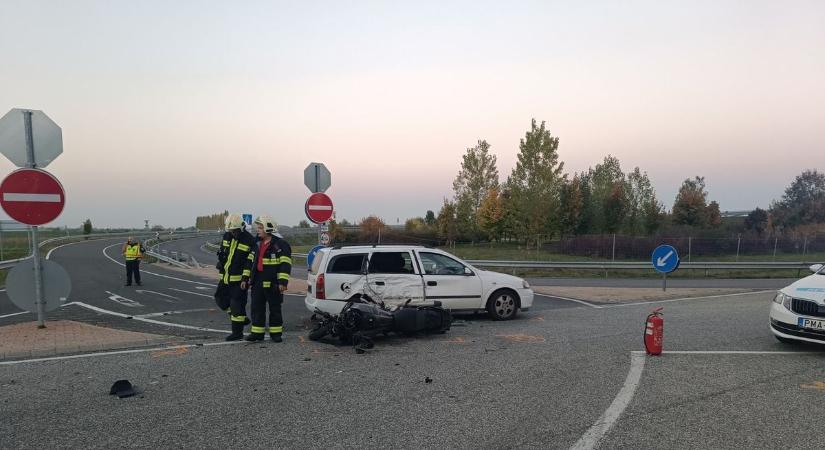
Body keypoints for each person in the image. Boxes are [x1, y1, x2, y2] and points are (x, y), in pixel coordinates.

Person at [245, 215, 292, 342]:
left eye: (260, 228)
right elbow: (249, 262)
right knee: (256, 308)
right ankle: (257, 333)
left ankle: (276, 334)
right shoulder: (256, 243)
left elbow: (285, 264)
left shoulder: (280, 244)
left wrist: (282, 282)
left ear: (268, 229)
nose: (258, 230)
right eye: (258, 228)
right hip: (257, 281)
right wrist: (246, 278)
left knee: (275, 308)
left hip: (274, 283)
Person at [214, 213, 255, 341]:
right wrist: (220, 262)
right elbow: (223, 251)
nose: (233, 233)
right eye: (231, 231)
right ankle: (242, 318)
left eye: (235, 231)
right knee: (220, 300)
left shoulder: (248, 240)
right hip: (225, 277)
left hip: (239, 281)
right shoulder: (227, 236)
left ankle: (237, 333)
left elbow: (250, 261)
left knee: (237, 306)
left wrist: (245, 279)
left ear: (241, 228)